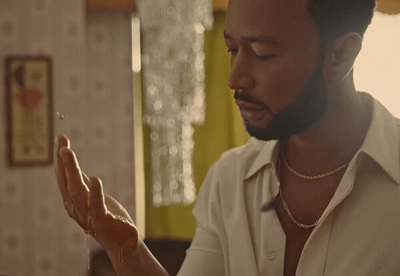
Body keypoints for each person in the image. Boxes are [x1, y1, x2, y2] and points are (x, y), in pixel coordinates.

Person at [55, 0, 400, 275]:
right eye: (232, 50)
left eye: (263, 54)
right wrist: (126, 251)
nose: (235, 79)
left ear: (340, 56)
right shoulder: (229, 180)